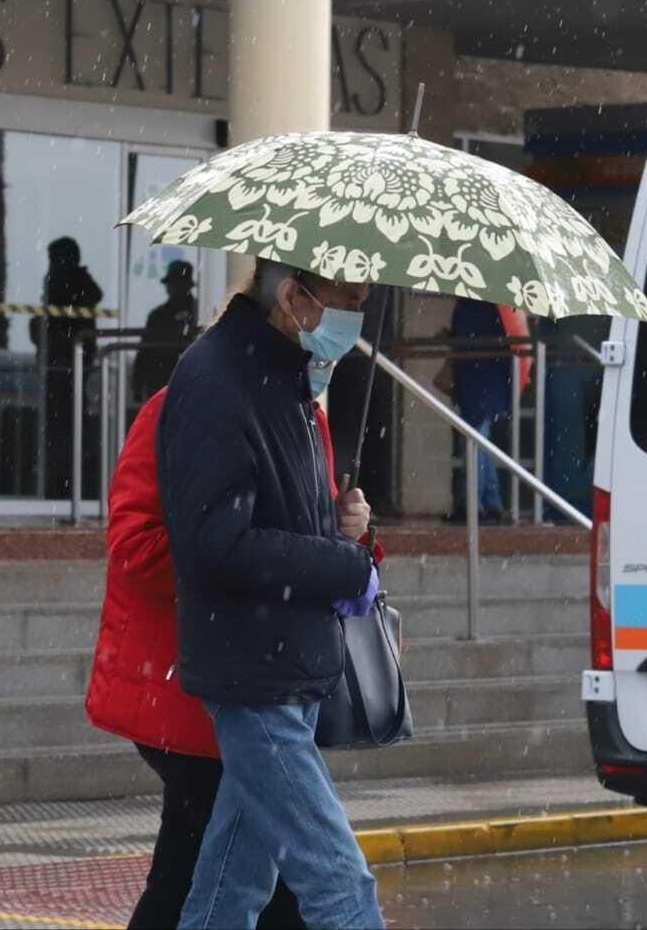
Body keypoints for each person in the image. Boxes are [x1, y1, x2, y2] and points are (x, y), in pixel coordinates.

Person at [158, 260, 384, 930]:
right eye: (349, 300)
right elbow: (217, 543)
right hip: (256, 673)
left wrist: (340, 526)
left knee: (231, 889)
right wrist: (342, 566)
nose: (356, 318)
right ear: (293, 296)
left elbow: (276, 518)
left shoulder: (287, 376)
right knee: (341, 884)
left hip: (286, 665)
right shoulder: (218, 379)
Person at [85, 385, 305, 930]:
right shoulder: (182, 407)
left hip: (264, 691)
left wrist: (350, 536)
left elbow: (311, 542)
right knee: (286, 884)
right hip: (191, 691)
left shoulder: (301, 414)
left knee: (187, 874)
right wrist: (248, 564)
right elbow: (135, 545)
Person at [33, 237, 104, 499]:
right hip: (60, 363)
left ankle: (67, 484)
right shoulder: (60, 283)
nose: (51, 265)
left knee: (66, 426)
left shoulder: (76, 284)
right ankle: (61, 483)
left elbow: (67, 320)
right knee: (59, 426)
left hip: (69, 364)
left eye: (54, 259)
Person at [445, 297, 514, 523]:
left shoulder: (469, 307)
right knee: (482, 442)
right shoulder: (495, 309)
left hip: (475, 383)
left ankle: (473, 504)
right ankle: (490, 502)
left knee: (475, 443)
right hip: (488, 382)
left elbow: (465, 340)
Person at [131, 259, 199, 404]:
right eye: (172, 283)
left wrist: (138, 384)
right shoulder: (158, 315)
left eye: (176, 283)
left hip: (177, 377)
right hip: (164, 377)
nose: (173, 287)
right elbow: (145, 351)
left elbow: (144, 351)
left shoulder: (198, 312)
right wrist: (137, 383)